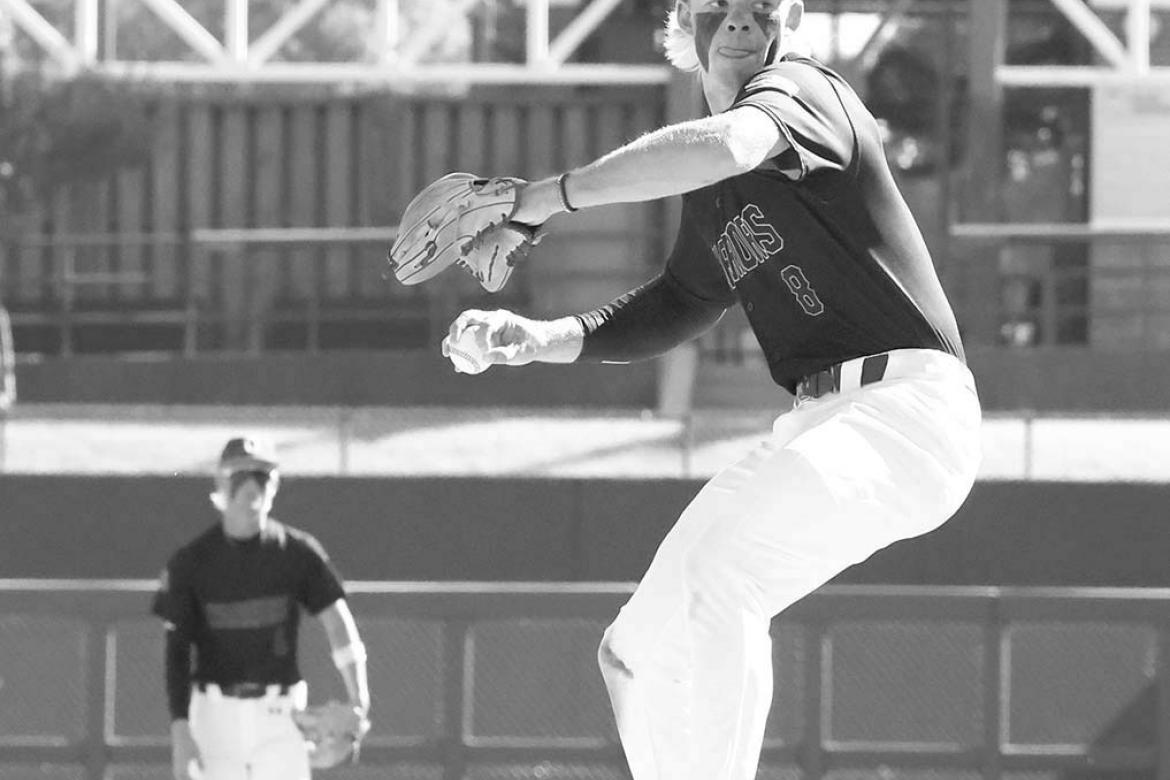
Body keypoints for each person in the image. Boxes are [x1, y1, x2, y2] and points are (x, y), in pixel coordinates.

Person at [442, 2, 982, 780]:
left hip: (906, 410)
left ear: (785, 20)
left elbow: (729, 141)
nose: (737, 22)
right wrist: (538, 339)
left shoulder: (803, 93)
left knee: (724, 577)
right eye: (715, 10)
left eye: (757, 8)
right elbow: (681, 300)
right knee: (634, 651)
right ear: (684, 29)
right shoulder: (714, 194)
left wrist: (544, 197)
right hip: (825, 422)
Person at [151, 436, 371, 780]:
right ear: (221, 482)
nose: (252, 485)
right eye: (240, 475)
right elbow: (176, 653)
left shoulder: (297, 553)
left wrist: (360, 702)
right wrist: (181, 732)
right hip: (213, 719)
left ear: (275, 485)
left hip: (279, 717)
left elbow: (337, 620)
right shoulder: (190, 563)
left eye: (263, 475)